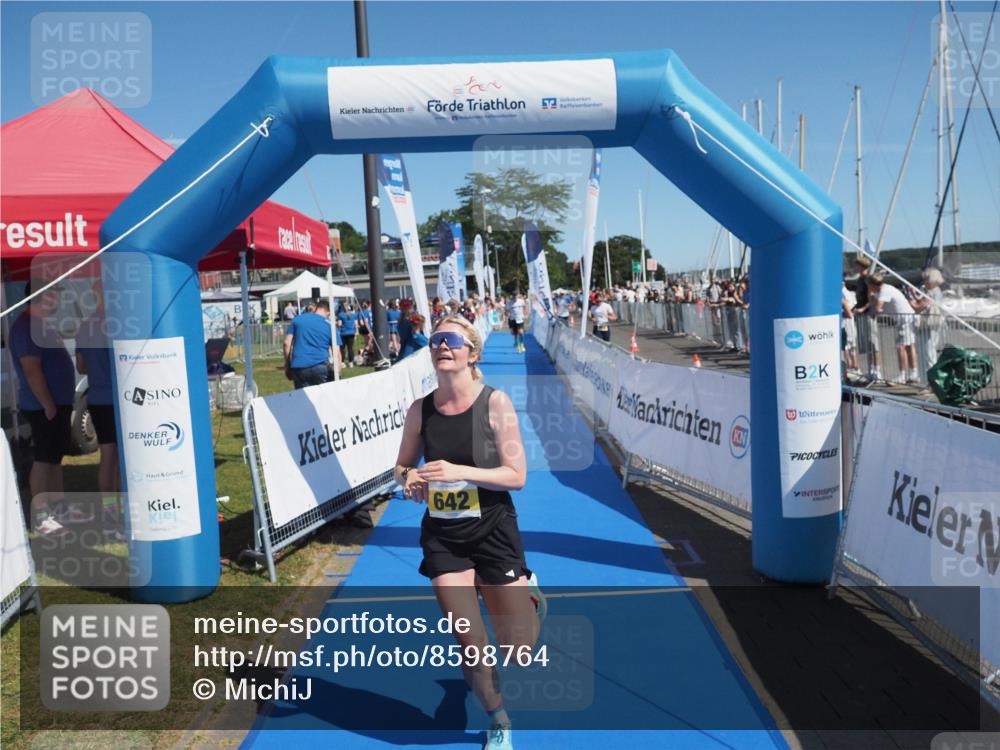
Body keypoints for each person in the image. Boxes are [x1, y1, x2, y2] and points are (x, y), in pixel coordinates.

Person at [394, 313, 545, 750]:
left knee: (519, 650)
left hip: (494, 530)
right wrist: (409, 480)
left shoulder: (494, 403)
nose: (442, 345)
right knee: (471, 643)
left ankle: (529, 596)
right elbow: (401, 465)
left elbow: (517, 476)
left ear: (472, 354)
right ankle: (499, 722)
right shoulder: (420, 410)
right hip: (444, 538)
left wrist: (459, 470)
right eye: (436, 339)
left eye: (452, 340)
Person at [9, 280, 76, 534]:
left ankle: (59, 509)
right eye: (52, 295)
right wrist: (48, 404)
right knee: (43, 459)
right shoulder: (26, 328)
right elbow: (31, 369)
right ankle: (41, 517)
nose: (57, 300)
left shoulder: (41, 325)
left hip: (56, 404)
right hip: (43, 406)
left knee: (54, 458)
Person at [74, 281, 119, 521]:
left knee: (107, 455)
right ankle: (125, 511)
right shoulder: (120, 323)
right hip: (121, 400)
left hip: (98, 398)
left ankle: (111, 514)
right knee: (125, 457)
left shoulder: (85, 326)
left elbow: (81, 367)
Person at [866, 274, 918, 385]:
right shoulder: (883, 290)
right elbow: (875, 305)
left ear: (872, 285)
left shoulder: (885, 291)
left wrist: (873, 309)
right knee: (909, 346)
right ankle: (913, 373)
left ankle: (902, 375)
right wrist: (871, 297)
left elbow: (877, 308)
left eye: (869, 286)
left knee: (901, 347)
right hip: (906, 317)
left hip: (905, 319)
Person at [284, 300, 335, 388]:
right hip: (321, 365)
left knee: (303, 399)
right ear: (328, 312)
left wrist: (287, 365)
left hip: (299, 366)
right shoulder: (328, 324)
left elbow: (287, 343)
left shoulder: (296, 320)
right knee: (323, 399)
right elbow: (336, 352)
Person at [910, 267, 945, 382]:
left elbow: (921, 306)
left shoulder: (933, 291)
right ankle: (927, 380)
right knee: (926, 352)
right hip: (928, 324)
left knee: (929, 353)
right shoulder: (934, 291)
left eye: (926, 279)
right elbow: (923, 302)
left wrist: (912, 304)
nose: (924, 282)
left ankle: (931, 382)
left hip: (930, 324)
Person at [852, 255, 882, 385]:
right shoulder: (860, 279)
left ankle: (877, 371)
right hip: (860, 314)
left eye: (856, 265)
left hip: (867, 314)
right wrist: (855, 308)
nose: (855, 267)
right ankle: (871, 370)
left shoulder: (868, 279)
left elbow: (872, 298)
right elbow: (860, 298)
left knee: (873, 342)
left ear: (861, 266)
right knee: (866, 343)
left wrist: (863, 309)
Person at [336, 302, 358, 366]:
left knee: (342, 348)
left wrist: (336, 323)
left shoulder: (340, 315)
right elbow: (356, 324)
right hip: (351, 333)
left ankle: (342, 362)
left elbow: (339, 324)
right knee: (350, 348)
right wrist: (356, 332)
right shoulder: (353, 314)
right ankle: (351, 362)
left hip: (343, 333)